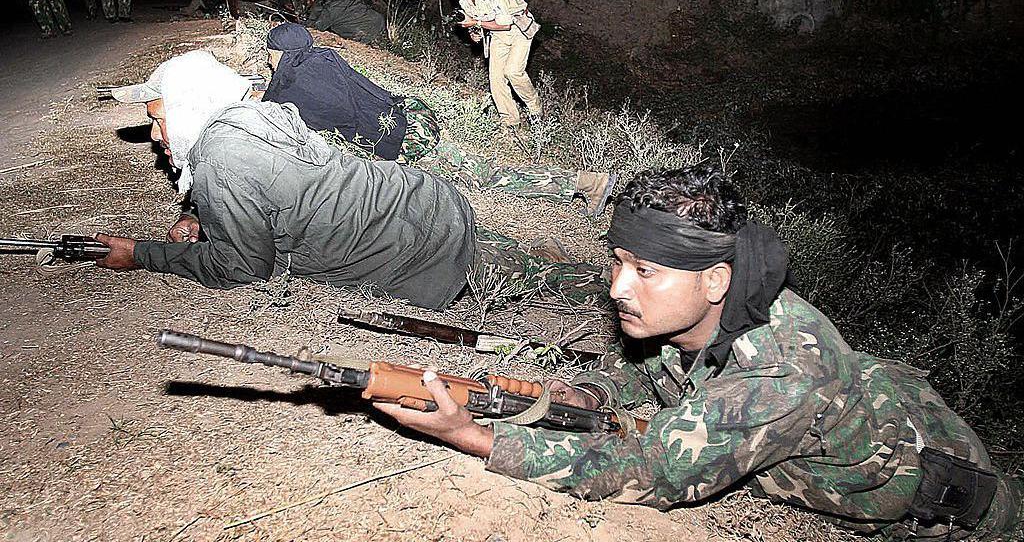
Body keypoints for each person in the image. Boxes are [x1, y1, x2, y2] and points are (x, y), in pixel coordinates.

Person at [375, 165, 1024, 540]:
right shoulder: (691, 312)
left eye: (645, 272)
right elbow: (643, 383)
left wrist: (482, 441)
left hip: (947, 500)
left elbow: (658, 471)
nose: (618, 288)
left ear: (715, 279)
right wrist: (584, 397)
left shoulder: (779, 374)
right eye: (617, 263)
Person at [93, 51, 606, 310]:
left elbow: (242, 269)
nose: (157, 135)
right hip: (421, 200)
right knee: (527, 259)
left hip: (414, 250)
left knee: (559, 284)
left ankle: (629, 294)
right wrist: (200, 214)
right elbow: (272, 184)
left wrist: (141, 254)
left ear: (190, 109)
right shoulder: (252, 116)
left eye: (161, 119)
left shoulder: (221, 163)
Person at [262, 23, 617, 216]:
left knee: (488, 177)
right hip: (410, 120)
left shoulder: (297, 84)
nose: (268, 62)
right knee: (485, 172)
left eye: (270, 54)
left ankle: (588, 183)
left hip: (404, 145)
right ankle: (585, 181)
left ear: (280, 53)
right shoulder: (324, 58)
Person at [445, 0, 542, 129]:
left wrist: (476, 23)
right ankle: (510, 121)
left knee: (513, 72)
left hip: (518, 30)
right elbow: (475, 20)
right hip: (498, 36)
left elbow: (504, 25)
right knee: (496, 78)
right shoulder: (463, 0)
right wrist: (474, 31)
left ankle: (535, 108)